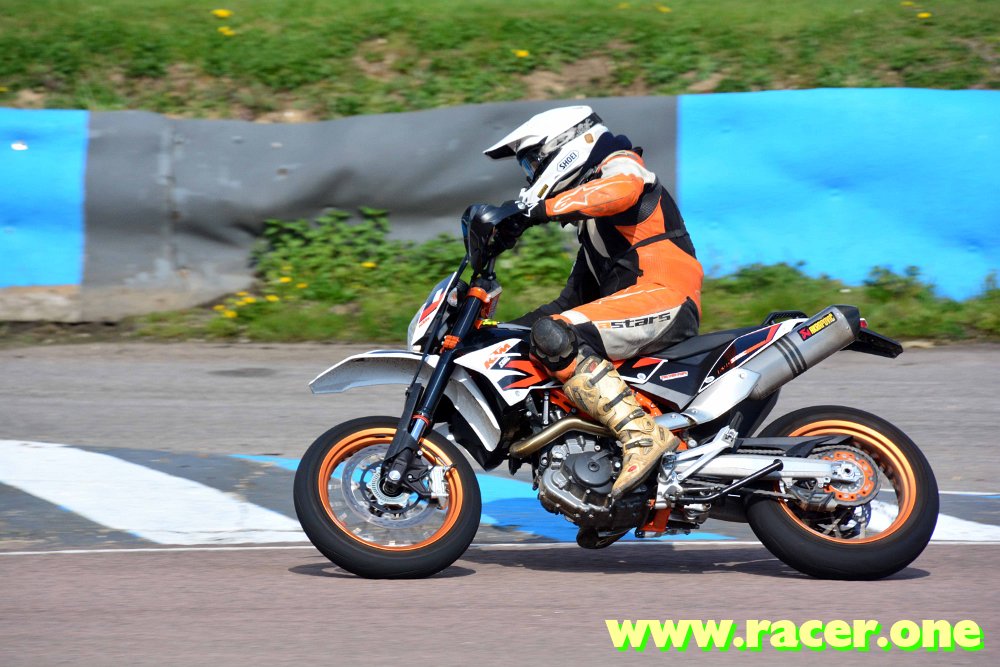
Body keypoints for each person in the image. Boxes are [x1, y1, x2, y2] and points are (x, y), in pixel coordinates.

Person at [478, 105, 704, 500]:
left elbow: (622, 190)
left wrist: (538, 208)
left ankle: (640, 433)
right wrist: (496, 334)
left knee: (555, 332)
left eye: (533, 163)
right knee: (544, 334)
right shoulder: (595, 227)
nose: (531, 176)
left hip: (665, 297)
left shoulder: (622, 166)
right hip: (638, 304)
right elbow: (569, 302)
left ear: (568, 146)